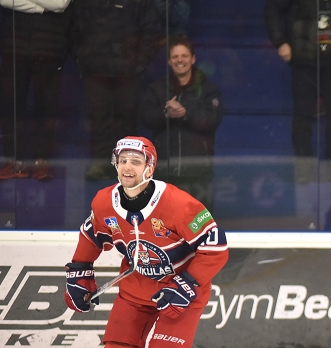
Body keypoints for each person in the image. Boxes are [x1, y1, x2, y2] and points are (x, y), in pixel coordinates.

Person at [64, 136, 241, 348]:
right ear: (115, 164)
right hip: (134, 291)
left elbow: (216, 248)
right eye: (123, 160)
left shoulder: (179, 204)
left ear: (150, 167)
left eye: (136, 160)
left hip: (181, 291)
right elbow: (91, 235)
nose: (128, 166)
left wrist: (186, 283)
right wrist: (80, 271)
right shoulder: (104, 202)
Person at [263, 0, 331, 227]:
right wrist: (280, 41)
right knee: (302, 113)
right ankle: (303, 166)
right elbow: (273, 7)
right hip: (304, 56)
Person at [71, 0, 162, 181]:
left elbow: (151, 29)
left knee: (127, 119)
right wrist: (84, 59)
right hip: (96, 70)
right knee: (98, 118)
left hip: (128, 72)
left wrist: (138, 63)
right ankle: (99, 163)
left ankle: (127, 165)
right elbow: (74, 29)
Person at [140, 36, 224, 211]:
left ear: (193, 59)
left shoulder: (209, 90)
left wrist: (185, 113)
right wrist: (166, 114)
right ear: (169, 61)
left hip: (198, 174)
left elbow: (212, 119)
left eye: (184, 56)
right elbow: (145, 118)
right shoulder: (157, 89)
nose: (180, 60)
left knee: (199, 229)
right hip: (164, 173)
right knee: (163, 229)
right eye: (175, 56)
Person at [0, 0, 74, 180]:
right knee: (12, 107)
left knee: (46, 108)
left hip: (49, 48)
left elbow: (60, 4)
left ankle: (42, 162)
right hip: (14, 49)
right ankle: (14, 162)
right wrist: (42, 7)